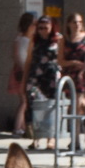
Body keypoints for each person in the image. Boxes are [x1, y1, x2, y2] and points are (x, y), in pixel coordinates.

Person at [25, 15, 62, 150]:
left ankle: (51, 138)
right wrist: (24, 81)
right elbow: (28, 61)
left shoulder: (58, 40)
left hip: (51, 77)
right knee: (35, 106)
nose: (42, 31)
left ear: (52, 27)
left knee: (51, 107)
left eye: (45, 28)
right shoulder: (34, 41)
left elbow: (61, 57)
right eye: (40, 28)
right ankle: (36, 138)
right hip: (36, 77)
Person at [8, 10, 36, 137]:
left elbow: (15, 56)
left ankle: (22, 126)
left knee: (24, 101)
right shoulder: (25, 40)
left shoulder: (19, 38)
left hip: (19, 71)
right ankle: (18, 127)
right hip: (24, 72)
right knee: (24, 101)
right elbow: (20, 57)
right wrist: (26, 71)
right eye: (34, 24)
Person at [61, 11, 85, 110]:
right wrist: (73, 63)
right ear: (69, 24)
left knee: (79, 102)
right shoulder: (64, 40)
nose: (77, 25)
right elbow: (60, 61)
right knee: (70, 105)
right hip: (68, 74)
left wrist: (84, 67)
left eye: (80, 22)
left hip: (83, 74)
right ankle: (76, 124)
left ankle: (78, 125)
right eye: (74, 22)